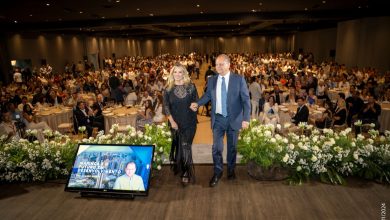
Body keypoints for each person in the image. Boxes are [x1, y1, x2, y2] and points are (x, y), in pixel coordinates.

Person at [190, 54, 250, 187]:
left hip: (234, 120)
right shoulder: (212, 80)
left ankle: (231, 170)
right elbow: (207, 95)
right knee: (216, 148)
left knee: (232, 148)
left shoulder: (239, 79)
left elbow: (246, 100)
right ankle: (217, 172)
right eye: (217, 64)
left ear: (229, 65)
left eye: (222, 64)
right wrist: (198, 103)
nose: (219, 67)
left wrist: (246, 119)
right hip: (218, 120)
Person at [163, 63, 198, 186]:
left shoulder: (191, 87)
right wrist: (172, 122)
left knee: (186, 146)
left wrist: (195, 106)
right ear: (172, 74)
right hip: (175, 124)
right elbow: (166, 107)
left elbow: (196, 101)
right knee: (180, 148)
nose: (178, 74)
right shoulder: (168, 88)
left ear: (184, 73)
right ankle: (182, 167)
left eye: (180, 72)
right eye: (175, 72)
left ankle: (186, 172)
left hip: (190, 122)